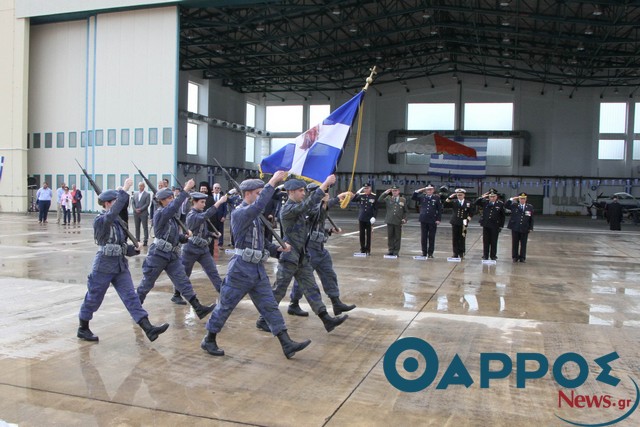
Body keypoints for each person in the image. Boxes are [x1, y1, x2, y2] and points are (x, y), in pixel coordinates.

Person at [201, 171, 311, 359]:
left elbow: (261, 242)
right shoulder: (240, 214)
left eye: (262, 192)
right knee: (226, 305)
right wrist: (273, 181)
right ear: (248, 194)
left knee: (269, 306)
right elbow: (259, 206)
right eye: (258, 193)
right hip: (240, 269)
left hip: (257, 270)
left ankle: (286, 343)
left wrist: (277, 249)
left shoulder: (256, 217)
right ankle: (209, 338)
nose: (261, 197)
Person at [77, 177, 169, 343]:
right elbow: (111, 215)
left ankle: (148, 328)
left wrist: (133, 250)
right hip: (103, 265)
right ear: (106, 204)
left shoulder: (118, 223)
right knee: (94, 297)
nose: (118, 205)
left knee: (131, 297)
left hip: (119, 266)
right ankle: (83, 327)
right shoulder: (100, 220)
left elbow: (121, 245)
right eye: (115, 201)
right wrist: (124, 190)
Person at [256, 175, 348, 334]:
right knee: (279, 290)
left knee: (311, 288)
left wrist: (327, 202)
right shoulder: (288, 209)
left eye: (304, 190)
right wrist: (324, 184)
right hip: (290, 257)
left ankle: (326, 319)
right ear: (291, 192)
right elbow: (308, 206)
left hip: (302, 257)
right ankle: (263, 320)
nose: (303, 193)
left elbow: (316, 214)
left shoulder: (299, 207)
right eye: (300, 191)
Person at [136, 179, 215, 319]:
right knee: (147, 283)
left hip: (172, 254)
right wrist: (186, 190)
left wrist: (184, 237)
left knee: (183, 280)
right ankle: (135, 307)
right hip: (158, 255)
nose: (172, 200)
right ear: (161, 200)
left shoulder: (171, 217)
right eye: (169, 198)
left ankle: (198, 307)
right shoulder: (161, 213)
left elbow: (173, 236)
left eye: (172, 197)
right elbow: (173, 207)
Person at [287, 183, 356, 317]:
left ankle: (336, 302)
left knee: (329, 274)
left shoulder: (321, 207)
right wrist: (334, 200)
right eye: (323, 192)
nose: (326, 194)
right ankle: (293, 303)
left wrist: (329, 230)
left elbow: (317, 226)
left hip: (320, 248)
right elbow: (314, 215)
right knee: (304, 277)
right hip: (309, 248)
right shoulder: (306, 208)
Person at [180, 191, 228, 294]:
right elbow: (206, 216)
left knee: (213, 272)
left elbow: (203, 231)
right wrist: (219, 202)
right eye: (202, 202)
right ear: (194, 202)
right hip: (190, 249)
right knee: (185, 274)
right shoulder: (192, 215)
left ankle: (223, 293)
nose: (204, 204)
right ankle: (177, 294)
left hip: (202, 249)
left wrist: (212, 234)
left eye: (204, 202)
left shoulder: (199, 213)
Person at [411, 184, 442, 258]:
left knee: (431, 237)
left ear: (433, 190)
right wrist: (420, 190)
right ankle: (424, 252)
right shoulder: (422, 196)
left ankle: (430, 253)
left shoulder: (436, 198)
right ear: (426, 190)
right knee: (423, 237)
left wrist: (438, 219)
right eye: (428, 189)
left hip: (432, 219)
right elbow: (413, 197)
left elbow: (439, 209)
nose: (429, 191)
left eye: (431, 189)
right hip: (424, 219)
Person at [475, 189, 505, 260]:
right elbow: (476, 202)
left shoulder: (500, 204)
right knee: (486, 241)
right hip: (486, 224)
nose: (492, 198)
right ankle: (485, 255)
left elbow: (502, 216)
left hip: (495, 225)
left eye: (494, 196)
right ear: (489, 197)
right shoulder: (485, 202)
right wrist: (482, 197)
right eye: (491, 196)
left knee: (494, 241)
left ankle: (493, 255)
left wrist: (501, 226)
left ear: (496, 197)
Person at [378, 185, 408, 257]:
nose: (394, 192)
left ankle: (396, 251)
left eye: (396, 190)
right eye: (393, 191)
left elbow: (406, 211)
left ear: (398, 191)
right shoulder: (388, 198)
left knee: (397, 237)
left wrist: (405, 218)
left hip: (398, 221)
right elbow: (379, 200)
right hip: (390, 220)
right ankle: (391, 250)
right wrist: (385, 193)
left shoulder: (402, 200)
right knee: (390, 236)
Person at [444, 189, 474, 259]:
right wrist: (450, 197)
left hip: (464, 221)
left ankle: (461, 252)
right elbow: (445, 204)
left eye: (461, 195)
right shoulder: (454, 202)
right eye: (458, 195)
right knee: (455, 238)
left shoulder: (468, 203)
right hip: (455, 221)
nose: (459, 196)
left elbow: (472, 212)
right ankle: (455, 253)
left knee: (462, 237)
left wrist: (467, 220)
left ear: (464, 195)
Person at [505, 192, 534, 263]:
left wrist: (530, 228)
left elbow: (531, 218)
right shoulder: (514, 205)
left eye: (523, 199)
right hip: (515, 227)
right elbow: (506, 205)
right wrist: (512, 199)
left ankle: (522, 257)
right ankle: (515, 257)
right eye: (521, 199)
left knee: (523, 243)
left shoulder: (529, 207)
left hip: (524, 228)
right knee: (515, 243)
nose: (522, 200)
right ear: (519, 199)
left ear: (526, 199)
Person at [352, 183, 377, 255]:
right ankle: (362, 249)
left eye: (367, 188)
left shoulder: (374, 196)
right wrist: (357, 193)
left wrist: (374, 217)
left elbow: (376, 208)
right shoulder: (361, 195)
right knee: (362, 234)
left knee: (368, 235)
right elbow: (353, 200)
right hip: (362, 217)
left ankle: (368, 250)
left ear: (370, 188)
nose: (366, 189)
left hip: (369, 218)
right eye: (365, 188)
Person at [132, 182, 151, 246]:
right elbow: (133, 203)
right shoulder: (135, 194)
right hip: (136, 213)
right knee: (137, 227)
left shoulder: (147, 194)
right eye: (139, 186)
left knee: (145, 227)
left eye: (141, 186)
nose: (140, 187)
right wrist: (135, 209)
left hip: (143, 213)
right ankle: (137, 239)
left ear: (144, 186)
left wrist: (141, 209)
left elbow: (147, 203)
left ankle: (145, 240)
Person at [211, 183, 228, 247]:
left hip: (220, 217)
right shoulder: (210, 197)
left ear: (220, 189)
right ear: (213, 189)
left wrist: (224, 216)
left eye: (218, 188)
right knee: (212, 229)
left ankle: (220, 243)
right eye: (215, 188)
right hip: (212, 217)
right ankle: (212, 242)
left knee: (220, 230)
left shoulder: (222, 197)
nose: (216, 189)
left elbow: (225, 208)